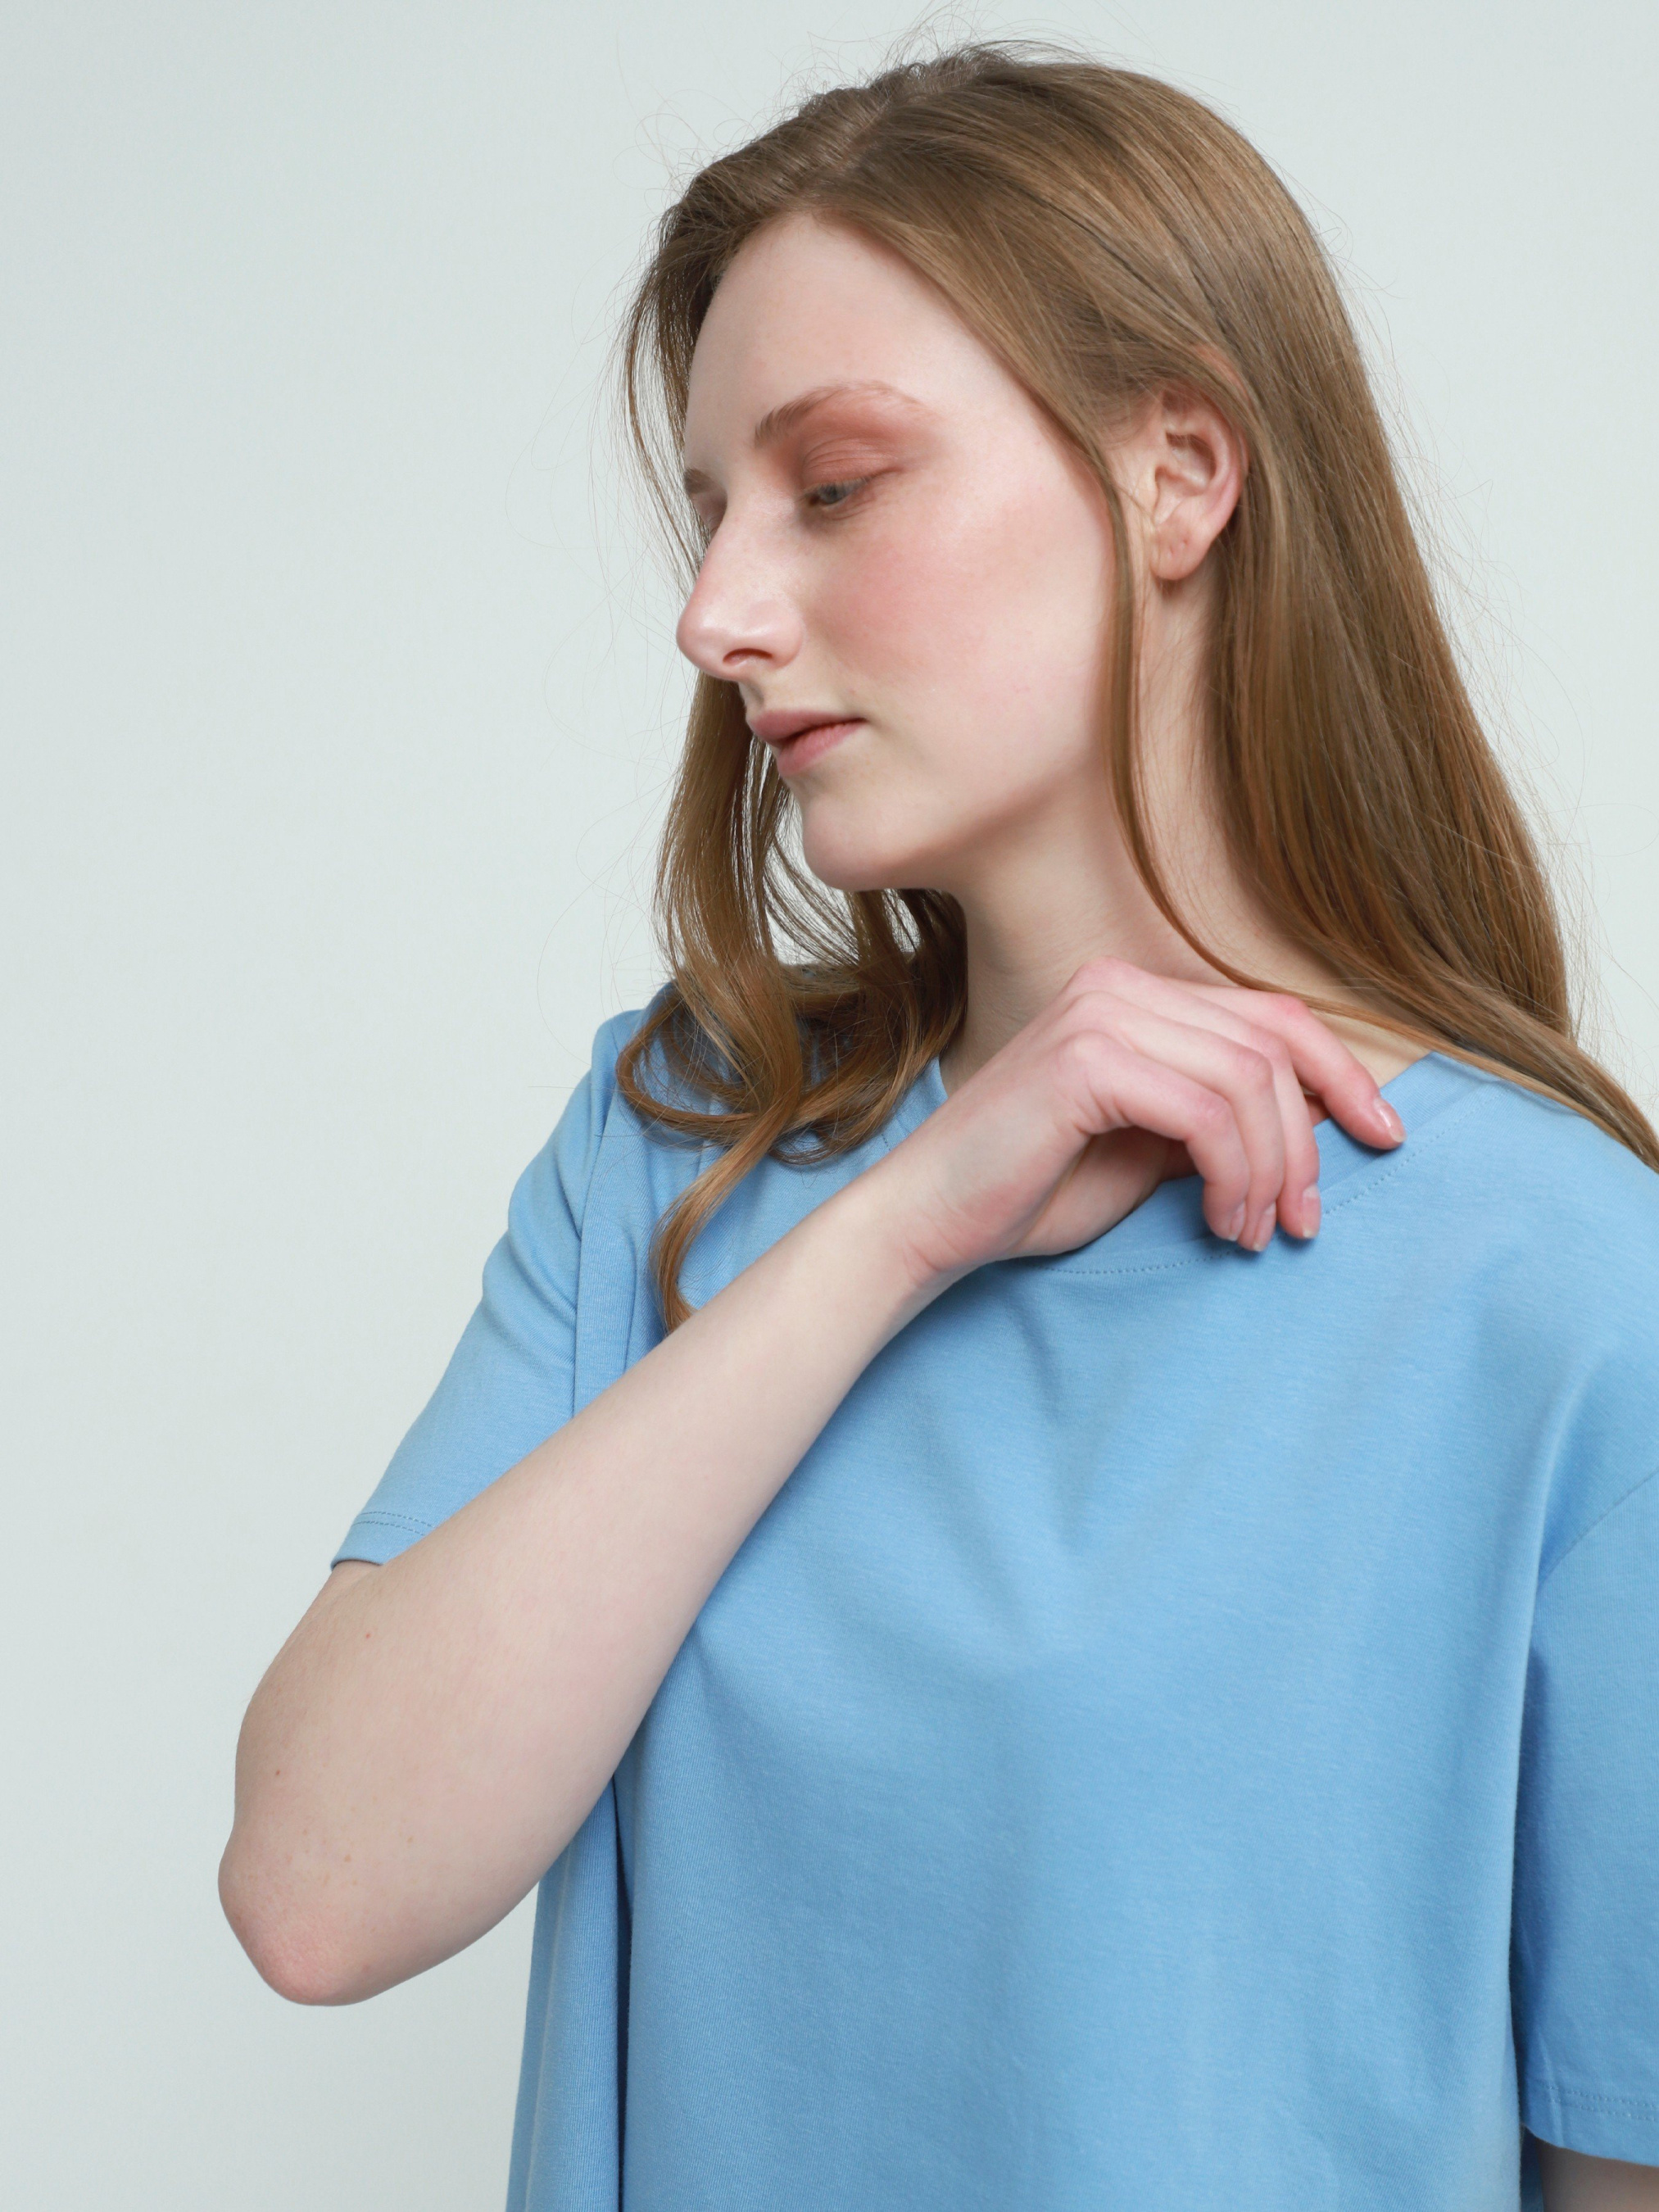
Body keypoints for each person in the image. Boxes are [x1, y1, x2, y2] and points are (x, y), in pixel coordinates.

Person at [219, 39, 1659, 2212]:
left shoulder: (1566, 1291)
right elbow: (316, 1889)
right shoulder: (677, 1148)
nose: (716, 612)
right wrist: (906, 1219)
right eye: (711, 510)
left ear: (1177, 475)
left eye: (834, 484)